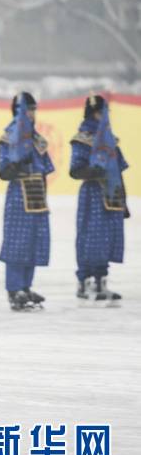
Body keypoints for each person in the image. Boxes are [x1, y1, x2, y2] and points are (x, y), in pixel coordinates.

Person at [69, 94, 128, 305]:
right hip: (93, 195)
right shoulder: (82, 138)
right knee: (89, 238)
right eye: (101, 112)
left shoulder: (110, 139)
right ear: (94, 113)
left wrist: (124, 201)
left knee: (107, 240)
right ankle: (84, 281)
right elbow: (75, 171)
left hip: (111, 195)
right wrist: (94, 171)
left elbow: (118, 170)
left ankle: (101, 283)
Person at [0, 92, 54, 312]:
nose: (32, 114)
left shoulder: (38, 139)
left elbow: (45, 169)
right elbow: (3, 172)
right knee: (17, 243)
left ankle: (26, 286)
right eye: (28, 109)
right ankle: (14, 289)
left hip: (37, 194)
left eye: (34, 109)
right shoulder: (8, 137)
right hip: (19, 193)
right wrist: (19, 164)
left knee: (33, 241)